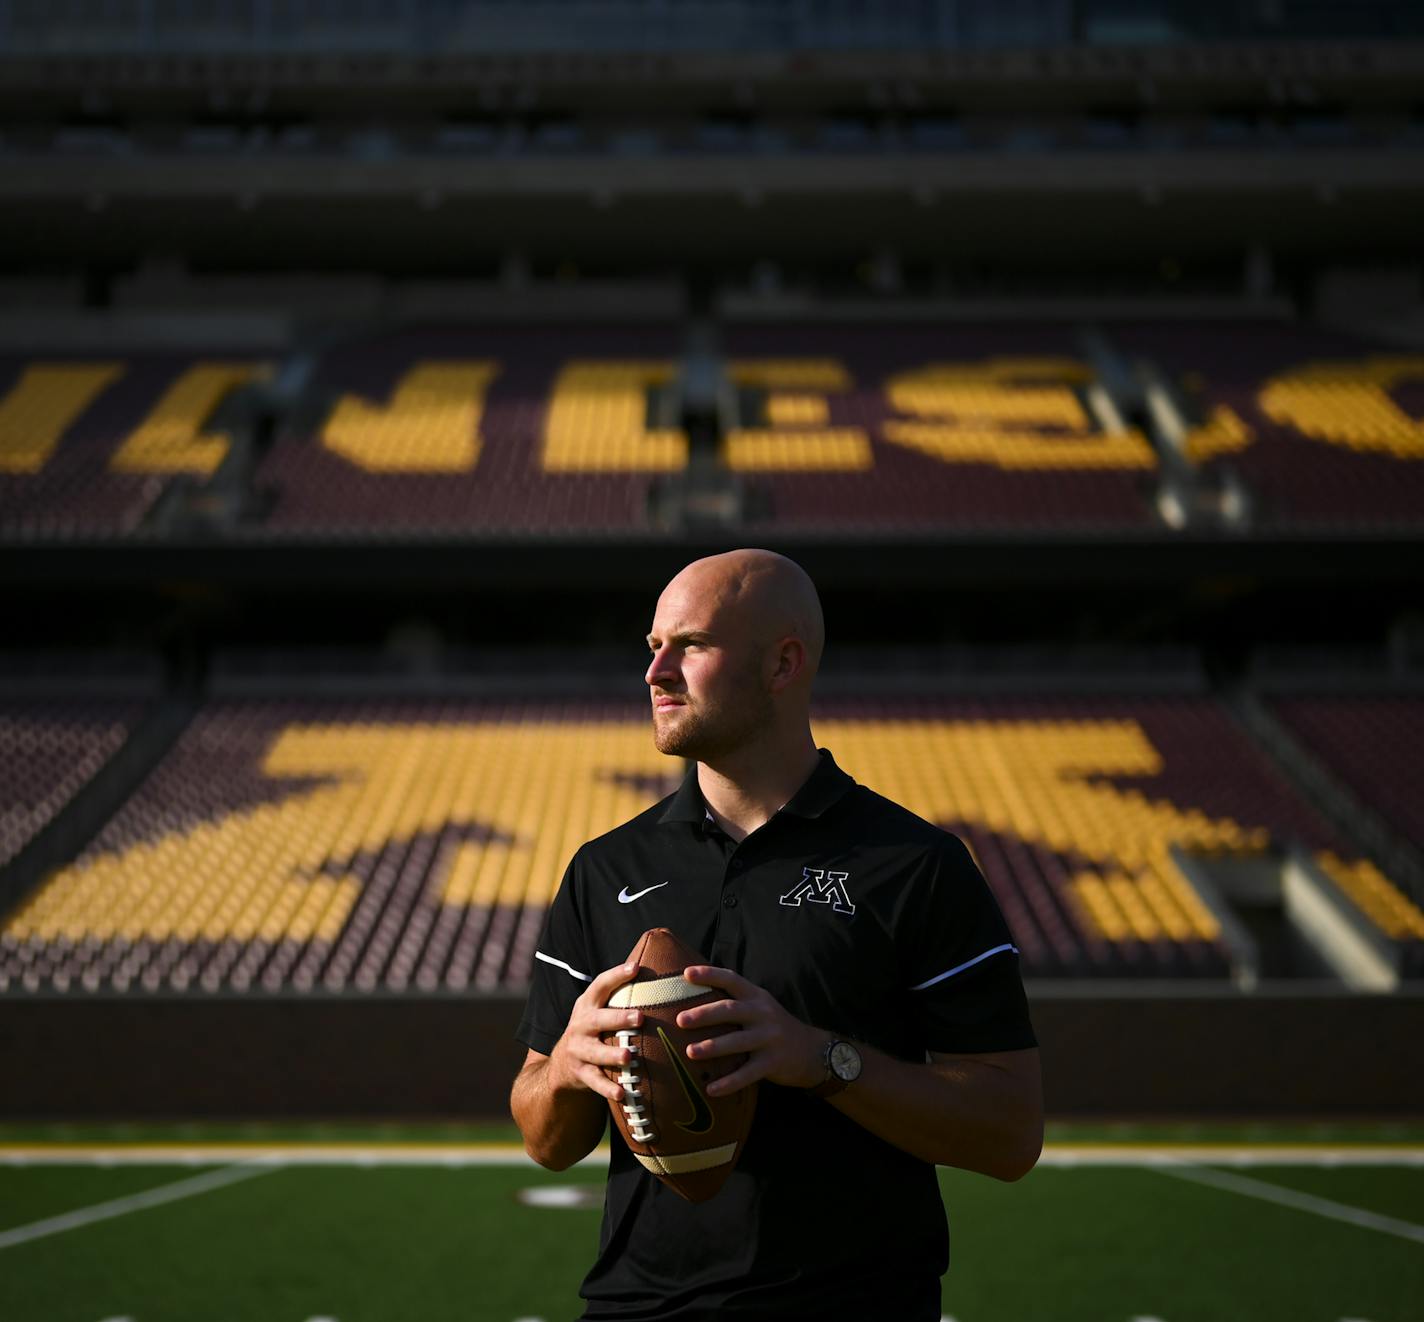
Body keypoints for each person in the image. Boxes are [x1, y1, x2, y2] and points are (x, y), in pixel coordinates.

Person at [511, 548, 1042, 1321]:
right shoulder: (604, 867)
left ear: (783, 663)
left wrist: (819, 1058)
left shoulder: (915, 864)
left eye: (690, 646)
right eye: (652, 647)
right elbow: (545, 1141)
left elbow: (1010, 1133)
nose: (656, 673)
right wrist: (564, 1068)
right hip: (636, 1306)